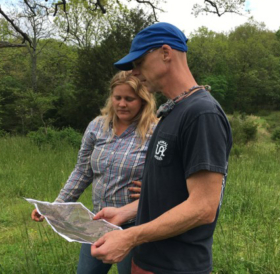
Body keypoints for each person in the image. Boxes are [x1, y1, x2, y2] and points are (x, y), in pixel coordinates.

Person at [90, 22, 233, 274]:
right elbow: (171, 193)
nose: (133, 73)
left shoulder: (202, 114)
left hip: (176, 266)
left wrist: (131, 237)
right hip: (148, 259)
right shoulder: (171, 111)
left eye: (139, 63)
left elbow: (202, 208)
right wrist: (125, 212)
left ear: (165, 53)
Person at [31, 70, 158, 274]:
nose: (122, 104)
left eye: (129, 99)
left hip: (135, 225)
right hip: (98, 222)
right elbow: (82, 171)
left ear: (143, 100)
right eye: (117, 98)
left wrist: (153, 189)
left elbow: (167, 176)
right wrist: (55, 206)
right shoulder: (97, 126)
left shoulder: (155, 131)